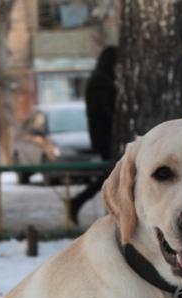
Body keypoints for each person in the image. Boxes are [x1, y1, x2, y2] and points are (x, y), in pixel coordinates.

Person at [69, 46, 118, 226]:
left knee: (111, 175)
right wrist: (115, 122)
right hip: (105, 136)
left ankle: (77, 202)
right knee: (111, 175)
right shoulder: (101, 81)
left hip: (103, 136)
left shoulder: (101, 78)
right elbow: (101, 109)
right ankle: (77, 202)